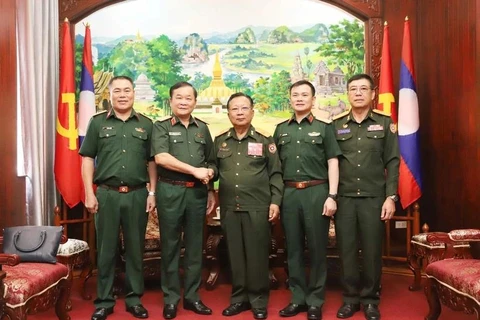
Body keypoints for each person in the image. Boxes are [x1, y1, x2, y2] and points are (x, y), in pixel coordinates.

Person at [80, 75, 157, 320]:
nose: (122, 95)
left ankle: (134, 300)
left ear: (134, 93)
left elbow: (152, 161)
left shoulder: (146, 124)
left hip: (137, 195)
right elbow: (87, 159)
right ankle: (104, 300)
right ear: (110, 95)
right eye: (117, 91)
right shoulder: (97, 123)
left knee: (135, 250)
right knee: (105, 250)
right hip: (106, 195)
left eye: (127, 90)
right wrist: (89, 193)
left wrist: (152, 192)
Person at [332, 73, 399, 320]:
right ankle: (350, 299)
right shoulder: (336, 125)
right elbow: (330, 163)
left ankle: (370, 300)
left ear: (373, 94)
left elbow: (392, 161)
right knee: (346, 250)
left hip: (374, 197)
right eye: (353, 89)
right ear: (347, 94)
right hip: (345, 198)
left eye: (363, 89)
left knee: (371, 251)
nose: (358, 93)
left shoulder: (384, 123)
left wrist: (390, 196)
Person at [274, 80, 342, 320]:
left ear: (313, 100)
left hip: (317, 192)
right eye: (295, 95)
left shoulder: (325, 128)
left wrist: (332, 195)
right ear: (290, 99)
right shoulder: (281, 129)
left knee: (316, 249)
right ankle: (297, 298)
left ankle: (315, 301)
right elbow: (275, 168)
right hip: (289, 193)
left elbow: (333, 162)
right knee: (292, 249)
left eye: (305, 95)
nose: (300, 98)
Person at [214, 93, 284, 320]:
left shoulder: (265, 140)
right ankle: (239, 299)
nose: (240, 112)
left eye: (244, 108)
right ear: (228, 113)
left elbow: (275, 173)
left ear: (252, 112)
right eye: (235, 109)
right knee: (235, 254)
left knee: (257, 255)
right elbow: (211, 169)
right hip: (229, 206)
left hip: (257, 206)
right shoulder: (220, 141)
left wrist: (275, 201)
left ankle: (258, 300)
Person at [151, 82, 216, 320]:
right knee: (169, 247)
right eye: (178, 97)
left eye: (188, 98)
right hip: (170, 191)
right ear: (171, 101)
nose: (183, 101)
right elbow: (161, 158)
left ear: (195, 102)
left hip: (197, 194)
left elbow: (211, 161)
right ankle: (170, 299)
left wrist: (209, 187)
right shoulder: (161, 127)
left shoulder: (202, 129)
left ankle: (192, 297)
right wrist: (194, 171)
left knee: (195, 247)